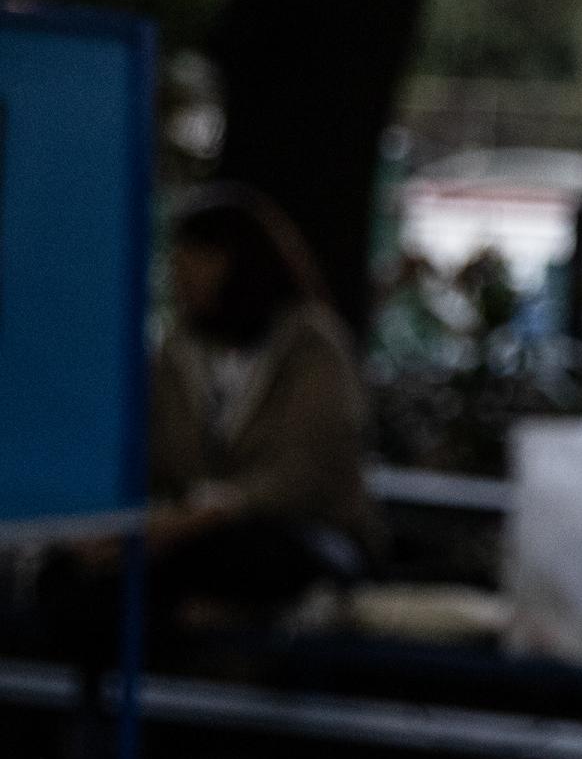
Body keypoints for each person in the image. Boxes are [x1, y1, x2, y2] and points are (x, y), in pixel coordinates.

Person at [38, 188, 379, 664]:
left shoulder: (311, 347)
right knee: (76, 575)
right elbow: (153, 458)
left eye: (202, 255)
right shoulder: (177, 356)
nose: (182, 270)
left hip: (294, 536)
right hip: (187, 537)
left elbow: (304, 472)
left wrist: (208, 511)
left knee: (233, 557)